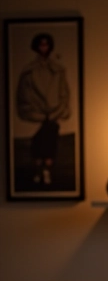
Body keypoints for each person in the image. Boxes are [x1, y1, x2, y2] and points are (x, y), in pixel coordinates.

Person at [16, 32, 70, 185]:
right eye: (41, 44)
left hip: (52, 116)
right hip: (38, 116)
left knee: (48, 136)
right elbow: (24, 97)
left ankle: (44, 171)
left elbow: (64, 95)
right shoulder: (29, 72)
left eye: (46, 44)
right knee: (43, 139)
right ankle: (41, 171)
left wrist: (55, 112)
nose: (43, 47)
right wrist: (39, 114)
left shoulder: (58, 70)